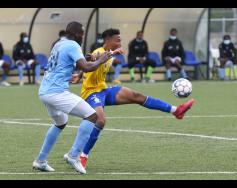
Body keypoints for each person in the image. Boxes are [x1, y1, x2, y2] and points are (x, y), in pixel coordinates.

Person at [72, 28, 195, 174]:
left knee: (137, 95)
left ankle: (176, 111)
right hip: (91, 92)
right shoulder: (99, 51)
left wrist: (79, 76)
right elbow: (91, 58)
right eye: (117, 40)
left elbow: (91, 64)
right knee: (100, 120)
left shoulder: (109, 53)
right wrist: (92, 59)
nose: (120, 42)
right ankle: (83, 156)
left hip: (103, 90)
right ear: (108, 40)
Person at [32, 21, 112, 174]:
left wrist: (82, 60)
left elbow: (61, 65)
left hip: (44, 91)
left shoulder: (59, 43)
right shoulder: (73, 45)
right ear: (76, 34)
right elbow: (87, 67)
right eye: (82, 34)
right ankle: (73, 155)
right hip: (56, 92)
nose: (83, 37)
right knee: (92, 116)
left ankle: (40, 160)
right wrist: (102, 59)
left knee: (60, 122)